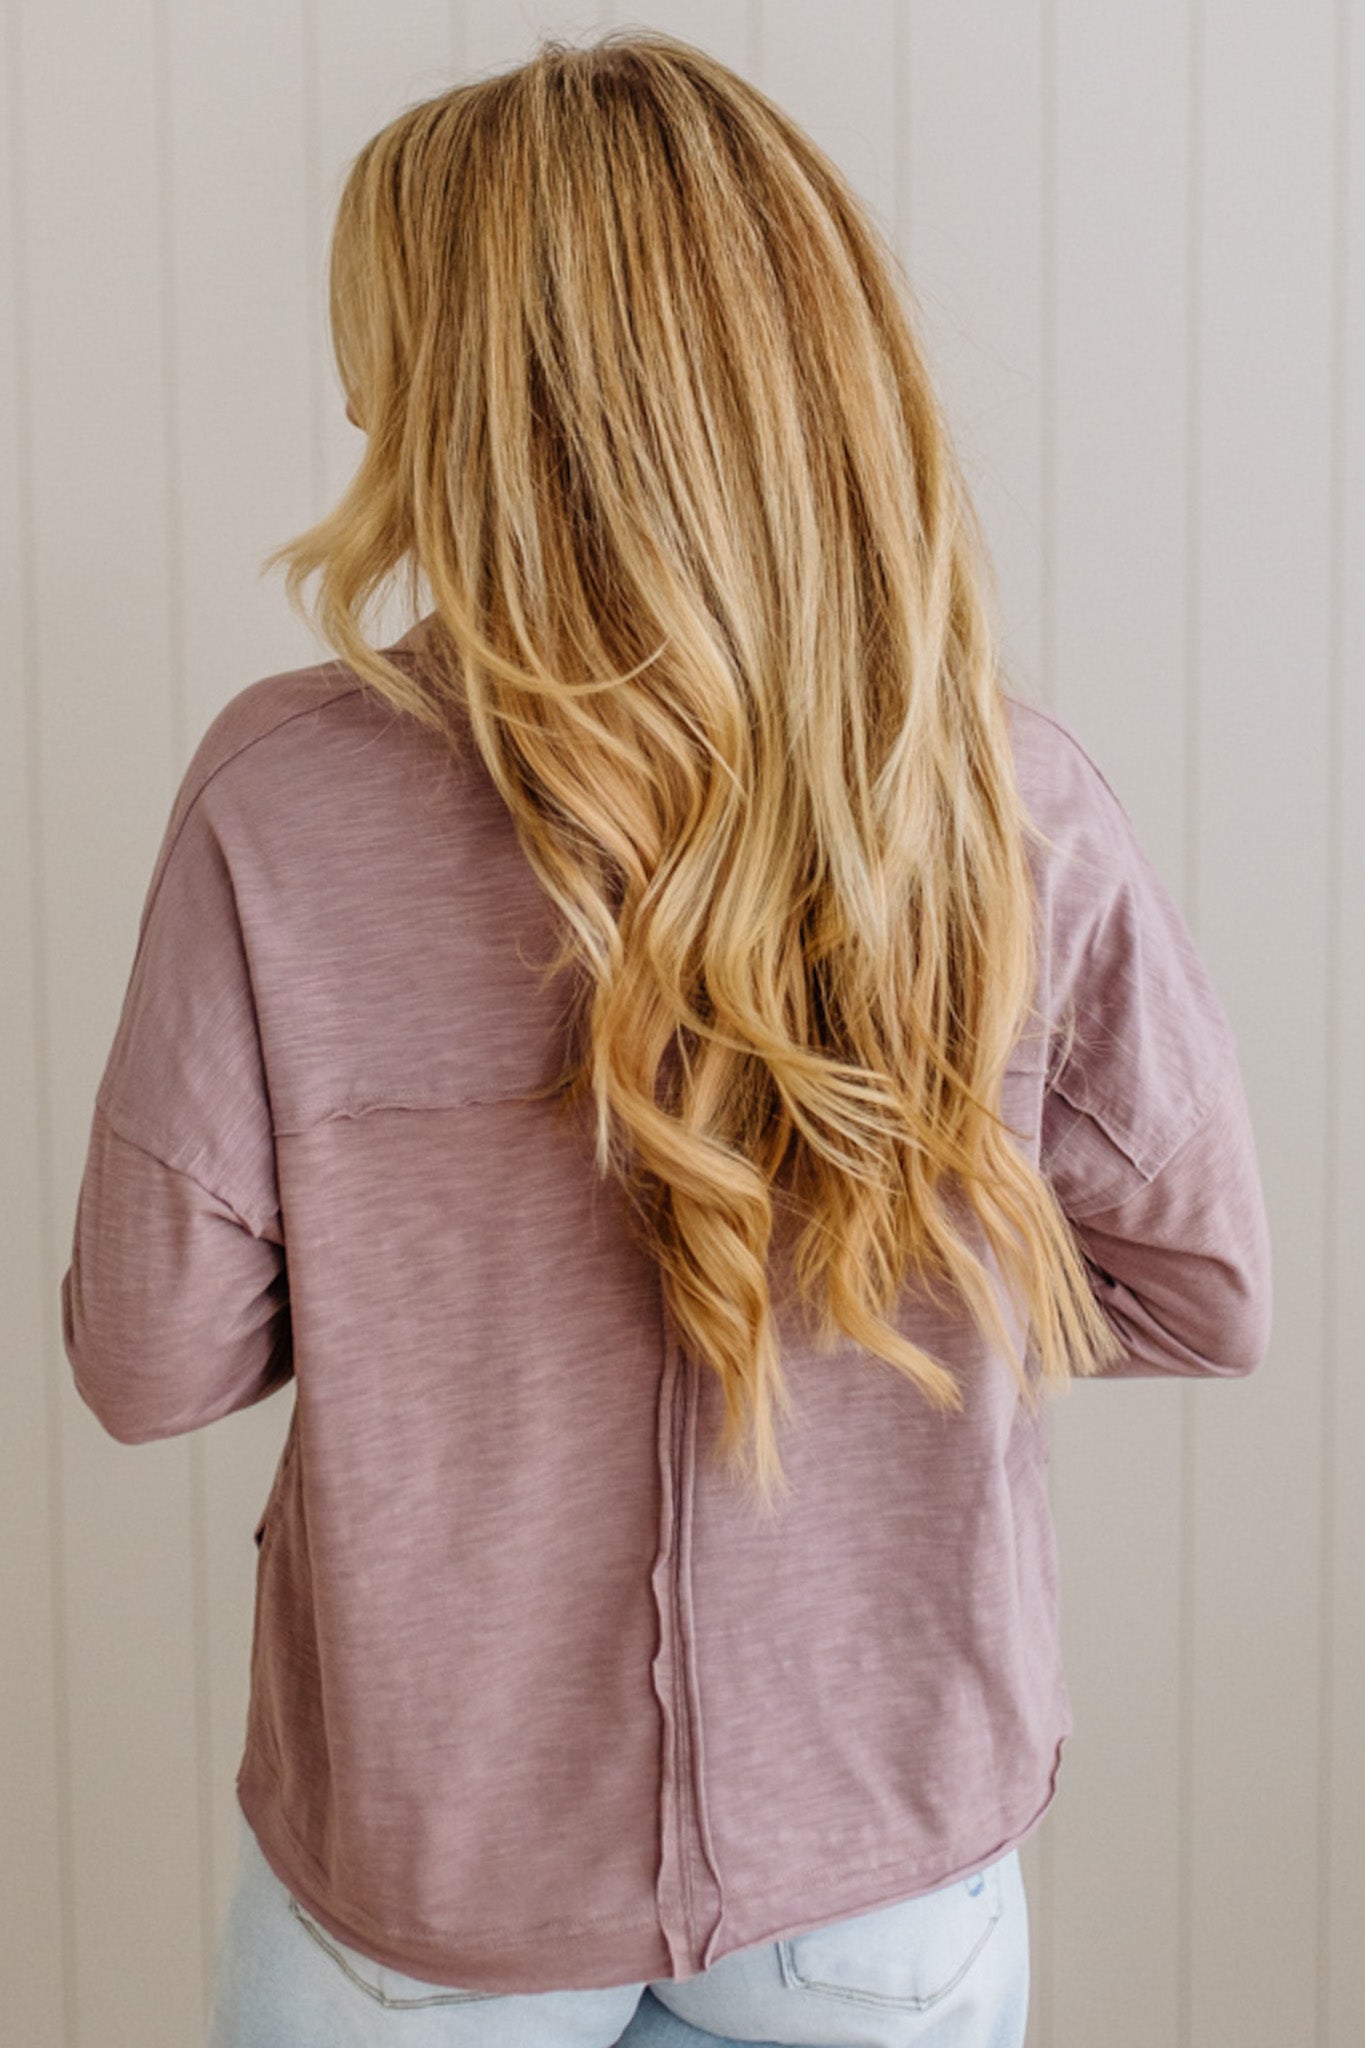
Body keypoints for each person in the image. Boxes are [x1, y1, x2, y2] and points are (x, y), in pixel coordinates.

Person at [59, 28, 1273, 2048]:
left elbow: (146, 1357)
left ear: (467, 399)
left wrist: (433, 1282)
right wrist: (888, 1265)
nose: (351, 399)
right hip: (878, 1858)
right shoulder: (999, 798)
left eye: (381, 349)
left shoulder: (283, 798)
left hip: (435, 1879)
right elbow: (1199, 1285)